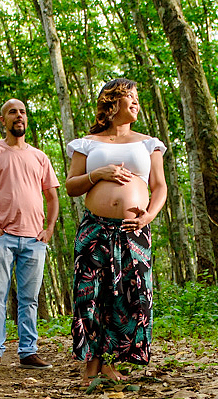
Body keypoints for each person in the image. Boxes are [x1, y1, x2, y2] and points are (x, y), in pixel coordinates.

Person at [64, 78, 167, 383]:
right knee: (90, 294)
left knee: (128, 295)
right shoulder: (87, 143)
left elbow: (160, 186)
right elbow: (71, 186)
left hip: (133, 230)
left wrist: (149, 216)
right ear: (112, 102)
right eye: (130, 96)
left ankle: (110, 361)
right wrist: (98, 174)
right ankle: (91, 364)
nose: (136, 103)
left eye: (137, 98)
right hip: (94, 229)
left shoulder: (149, 143)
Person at [0, 99, 60, 369]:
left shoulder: (40, 157)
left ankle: (28, 352)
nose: (18, 116)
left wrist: (49, 229)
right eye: (12, 112)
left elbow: (52, 197)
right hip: (2, 237)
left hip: (34, 239)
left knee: (29, 299)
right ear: (3, 120)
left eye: (22, 112)